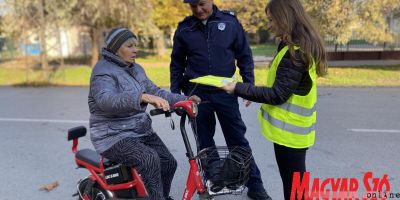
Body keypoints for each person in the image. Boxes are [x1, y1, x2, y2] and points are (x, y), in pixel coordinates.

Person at [222, 0, 328, 199]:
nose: (269, 25)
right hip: (292, 133)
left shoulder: (294, 53)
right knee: (295, 187)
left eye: (271, 20)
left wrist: (237, 88)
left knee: (296, 190)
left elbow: (277, 94)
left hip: (290, 134)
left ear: (285, 18)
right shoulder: (293, 46)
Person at [170, 0, 271, 199]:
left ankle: (256, 186)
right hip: (197, 96)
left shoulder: (230, 23)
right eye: (193, 6)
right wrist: (176, 95)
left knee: (238, 141)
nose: (198, 10)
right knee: (205, 144)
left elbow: (244, 56)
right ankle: (214, 181)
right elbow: (177, 63)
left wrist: (248, 87)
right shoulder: (184, 29)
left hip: (226, 94)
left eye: (202, 4)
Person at [88, 27, 200, 200]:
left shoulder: (136, 69)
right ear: (116, 48)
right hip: (112, 135)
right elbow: (106, 101)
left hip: (139, 130)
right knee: (149, 159)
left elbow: (156, 91)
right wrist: (141, 97)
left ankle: (160, 196)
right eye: (130, 46)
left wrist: (183, 99)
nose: (135, 50)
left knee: (168, 163)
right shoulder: (102, 71)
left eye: (136, 45)